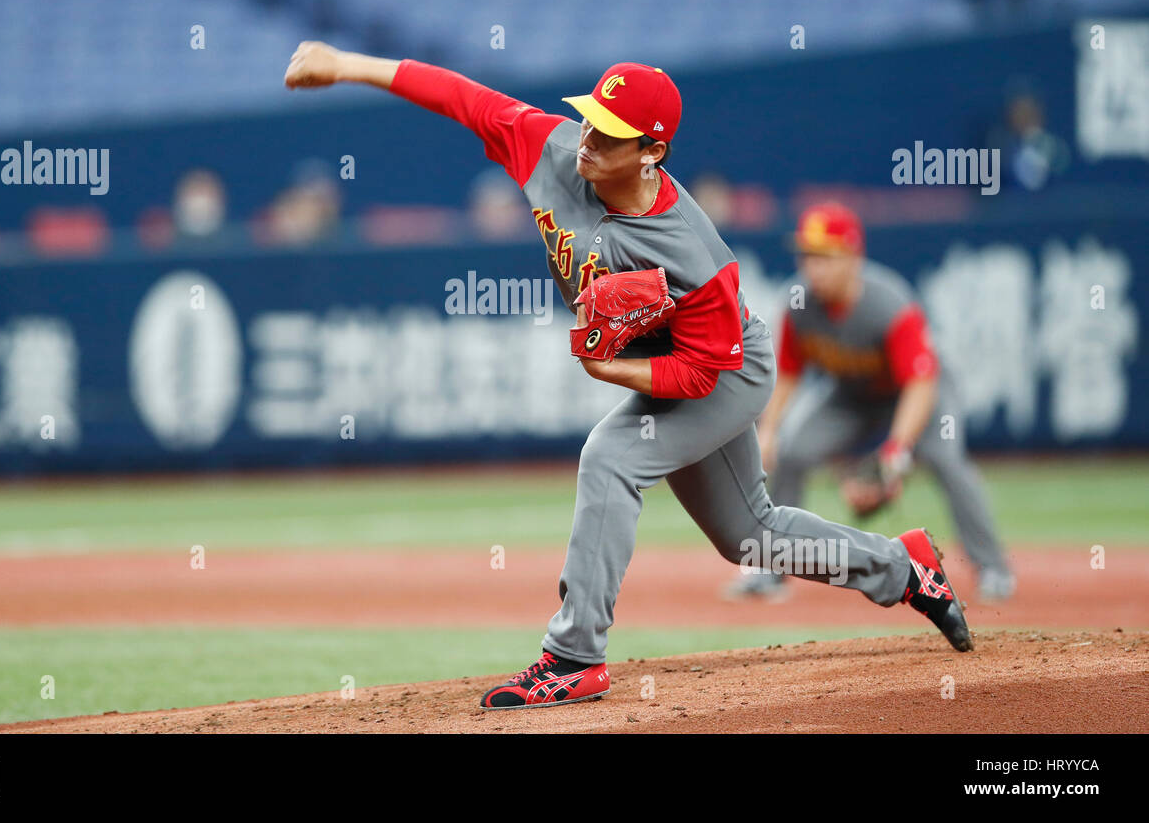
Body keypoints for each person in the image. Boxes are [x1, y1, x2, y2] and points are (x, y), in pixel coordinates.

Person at [284, 41, 975, 711]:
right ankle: (903, 567)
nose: (588, 139)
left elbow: (702, 374)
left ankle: (575, 657)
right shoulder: (554, 148)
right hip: (670, 360)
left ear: (652, 152)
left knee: (611, 457)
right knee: (749, 535)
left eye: (611, 135)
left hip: (723, 369)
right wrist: (347, 65)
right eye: (591, 118)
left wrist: (607, 366)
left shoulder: (691, 253)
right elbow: (461, 97)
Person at [729, 202, 1015, 603]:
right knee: (792, 452)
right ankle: (770, 569)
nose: (814, 268)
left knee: (947, 462)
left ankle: (993, 569)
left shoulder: (889, 304)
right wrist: (770, 430)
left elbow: (920, 382)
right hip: (851, 395)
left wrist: (896, 449)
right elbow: (789, 372)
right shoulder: (799, 302)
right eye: (808, 256)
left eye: (825, 257)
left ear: (853, 257)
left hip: (918, 394)